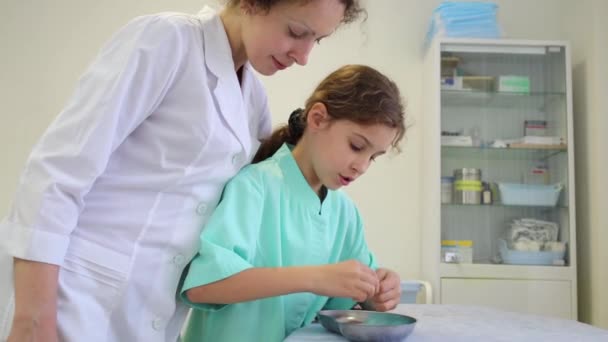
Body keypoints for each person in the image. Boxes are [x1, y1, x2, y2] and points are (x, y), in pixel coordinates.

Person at [0, 1, 364, 341]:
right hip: (73, 293)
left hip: (152, 309)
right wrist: (34, 316)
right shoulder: (167, 41)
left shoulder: (253, 100)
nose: (303, 56)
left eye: (316, 40)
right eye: (297, 32)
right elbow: (57, 172)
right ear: (252, 2)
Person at [180, 64, 406, 342]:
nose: (362, 166)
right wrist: (315, 278)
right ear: (318, 118)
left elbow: (349, 300)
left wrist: (378, 291)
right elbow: (204, 287)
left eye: (373, 157)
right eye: (357, 147)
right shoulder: (255, 186)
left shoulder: (344, 212)